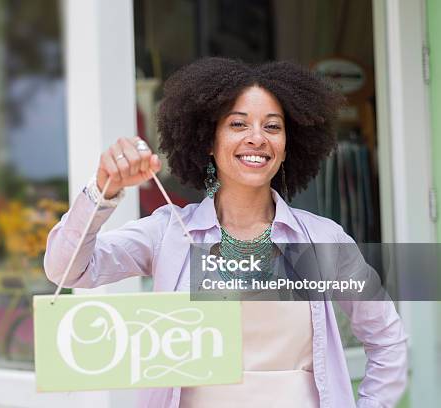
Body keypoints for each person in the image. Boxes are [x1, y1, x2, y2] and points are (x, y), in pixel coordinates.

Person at [44, 57, 407, 408]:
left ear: (286, 144)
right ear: (208, 139)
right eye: (238, 124)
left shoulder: (324, 240)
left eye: (272, 126)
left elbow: (387, 338)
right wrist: (101, 192)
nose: (256, 138)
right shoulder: (168, 233)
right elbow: (68, 269)